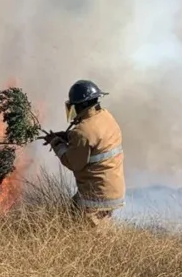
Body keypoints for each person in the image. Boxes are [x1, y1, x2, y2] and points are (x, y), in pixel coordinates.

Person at [44, 79, 126, 226]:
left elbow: (73, 162)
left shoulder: (82, 131)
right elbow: (94, 139)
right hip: (112, 188)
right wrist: (67, 136)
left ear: (80, 105)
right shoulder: (105, 116)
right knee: (70, 215)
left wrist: (56, 143)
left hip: (95, 197)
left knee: (90, 238)